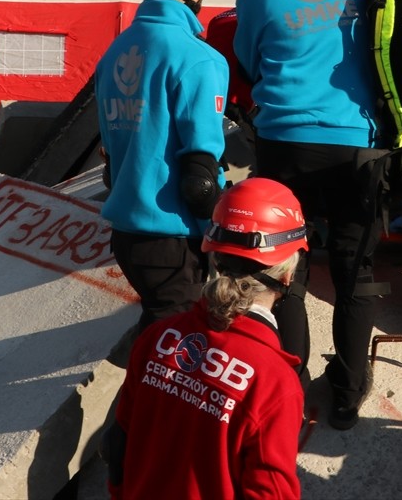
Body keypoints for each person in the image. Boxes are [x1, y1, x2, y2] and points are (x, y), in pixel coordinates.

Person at [234, 0, 384, 430]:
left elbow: (249, 61)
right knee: (355, 272)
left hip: (286, 144)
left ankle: (290, 394)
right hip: (359, 144)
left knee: (287, 269)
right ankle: (347, 395)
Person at [105, 178, 307, 500]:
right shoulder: (274, 384)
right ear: (287, 276)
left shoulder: (157, 337)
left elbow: (119, 443)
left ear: (213, 256)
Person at [94, 0, 228, 336]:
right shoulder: (200, 59)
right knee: (170, 356)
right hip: (172, 237)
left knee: (157, 336)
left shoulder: (112, 52)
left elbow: (113, 158)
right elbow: (200, 182)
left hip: (127, 234)